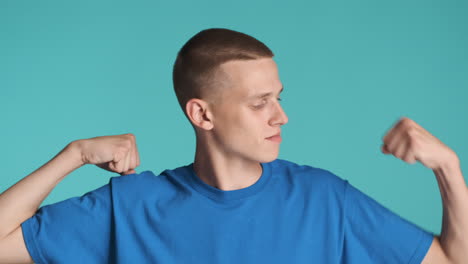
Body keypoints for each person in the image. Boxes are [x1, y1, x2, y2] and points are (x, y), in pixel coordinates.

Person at [0, 28, 465, 264]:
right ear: (202, 114)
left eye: (278, 98)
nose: (281, 116)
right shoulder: (130, 205)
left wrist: (448, 168)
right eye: (260, 102)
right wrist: (75, 154)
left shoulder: (324, 199)